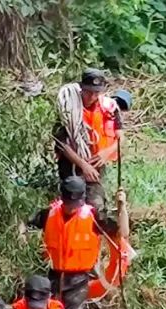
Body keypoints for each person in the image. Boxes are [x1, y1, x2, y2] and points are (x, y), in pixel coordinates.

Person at [29, 175, 129, 309]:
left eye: (75, 204)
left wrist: (122, 207)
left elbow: (122, 231)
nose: (72, 208)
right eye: (68, 204)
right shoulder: (49, 214)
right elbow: (27, 226)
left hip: (78, 280)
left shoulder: (94, 216)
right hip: (52, 277)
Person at [54, 68, 123, 211]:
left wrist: (106, 153)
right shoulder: (68, 108)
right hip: (72, 164)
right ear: (81, 89)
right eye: (88, 92)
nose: (92, 96)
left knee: (95, 206)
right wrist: (83, 165)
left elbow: (121, 138)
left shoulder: (110, 108)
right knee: (72, 205)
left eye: (96, 92)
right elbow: (61, 143)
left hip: (97, 164)